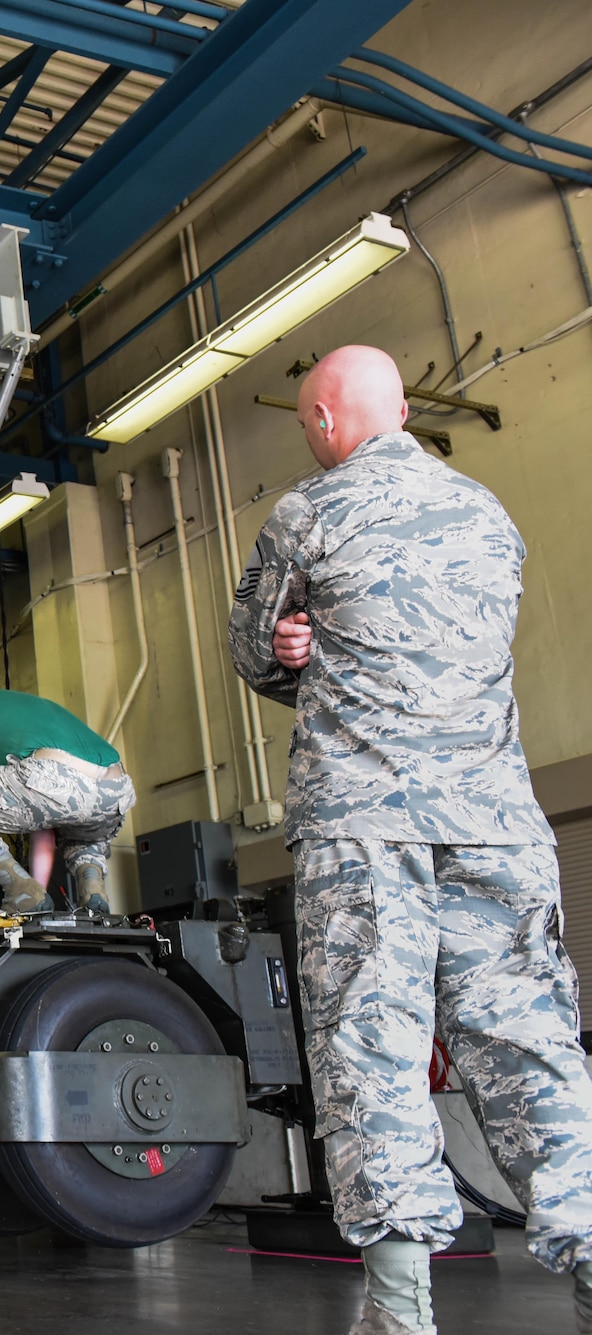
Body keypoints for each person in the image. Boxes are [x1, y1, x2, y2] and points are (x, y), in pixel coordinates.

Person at [227, 344, 592, 1335]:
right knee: (529, 1045)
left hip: (366, 824)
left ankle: (398, 1311)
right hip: (495, 822)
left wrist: (287, 648)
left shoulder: (307, 511)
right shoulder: (488, 515)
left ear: (321, 420)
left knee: (370, 1048)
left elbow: (250, 648)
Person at [0, 687, 133, 914]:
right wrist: (36, 896)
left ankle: (17, 886)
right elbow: (42, 828)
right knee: (81, 838)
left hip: (54, 775)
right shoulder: (30, 710)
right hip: (116, 787)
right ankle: (91, 885)